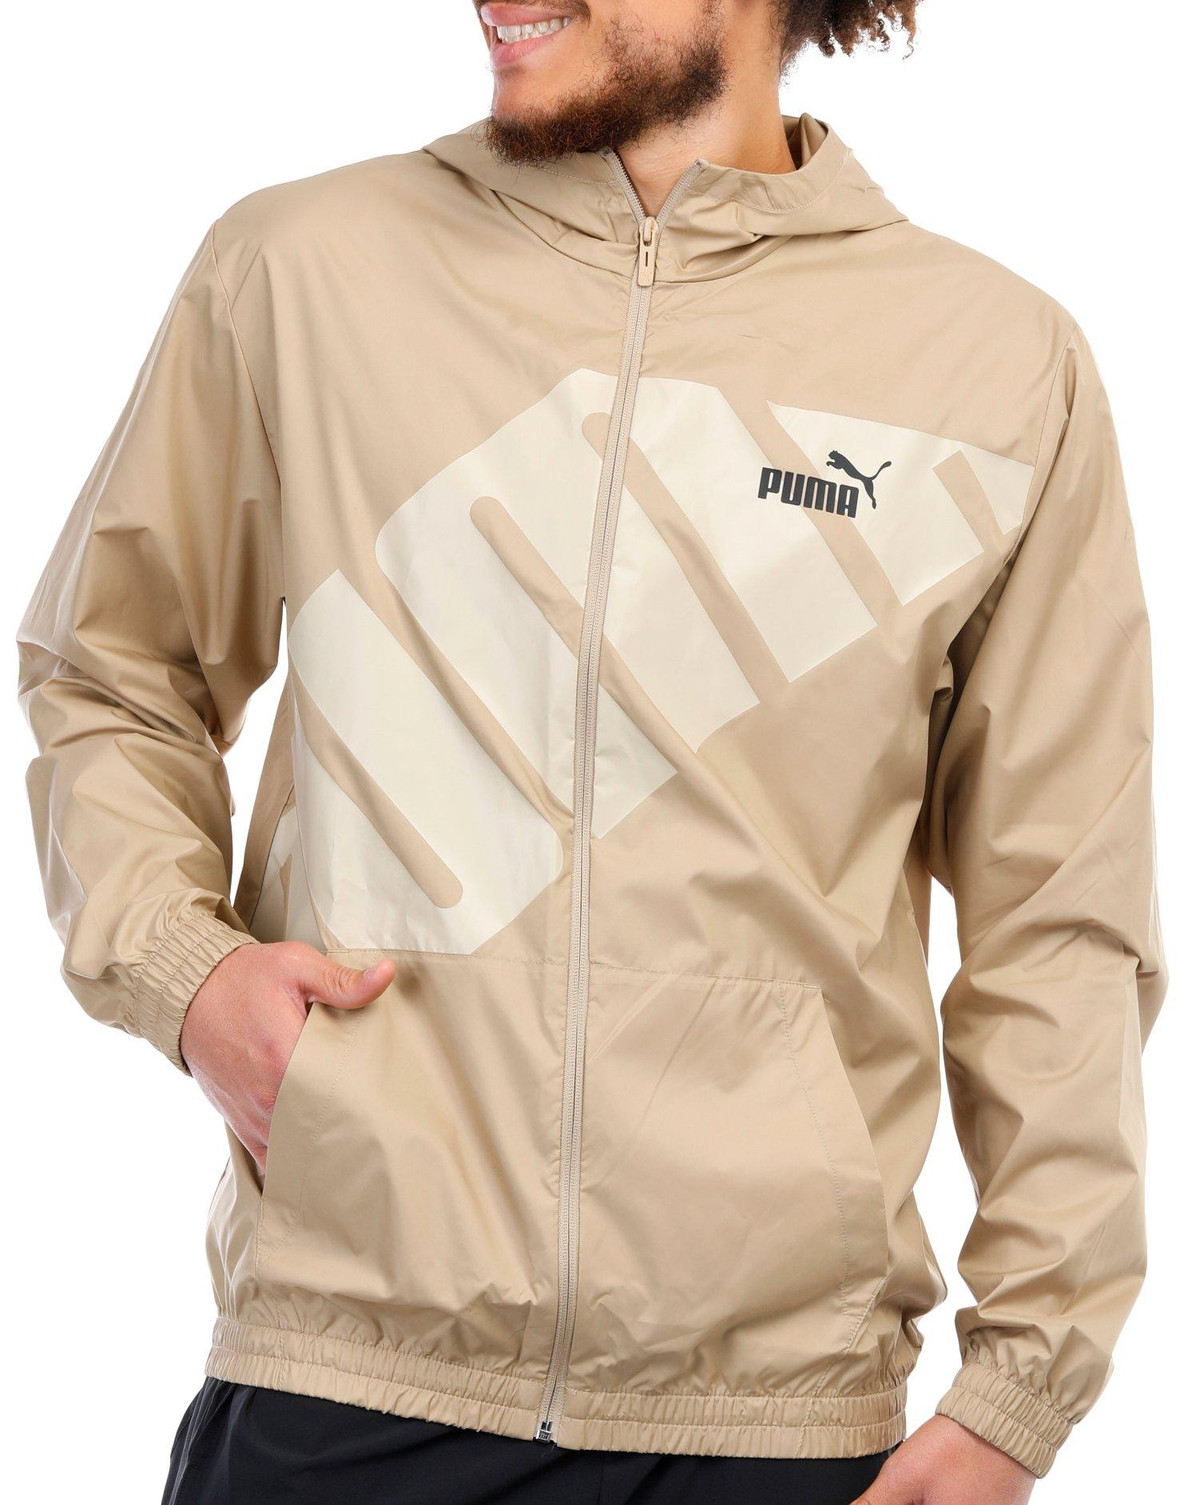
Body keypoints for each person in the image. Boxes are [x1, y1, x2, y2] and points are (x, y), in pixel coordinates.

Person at [18, 3, 1165, 1502]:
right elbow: (109, 669)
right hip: (339, 1380)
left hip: (774, 1430)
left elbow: (1059, 914)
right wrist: (188, 972)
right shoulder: (301, 272)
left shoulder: (994, 366)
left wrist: (1022, 1389)